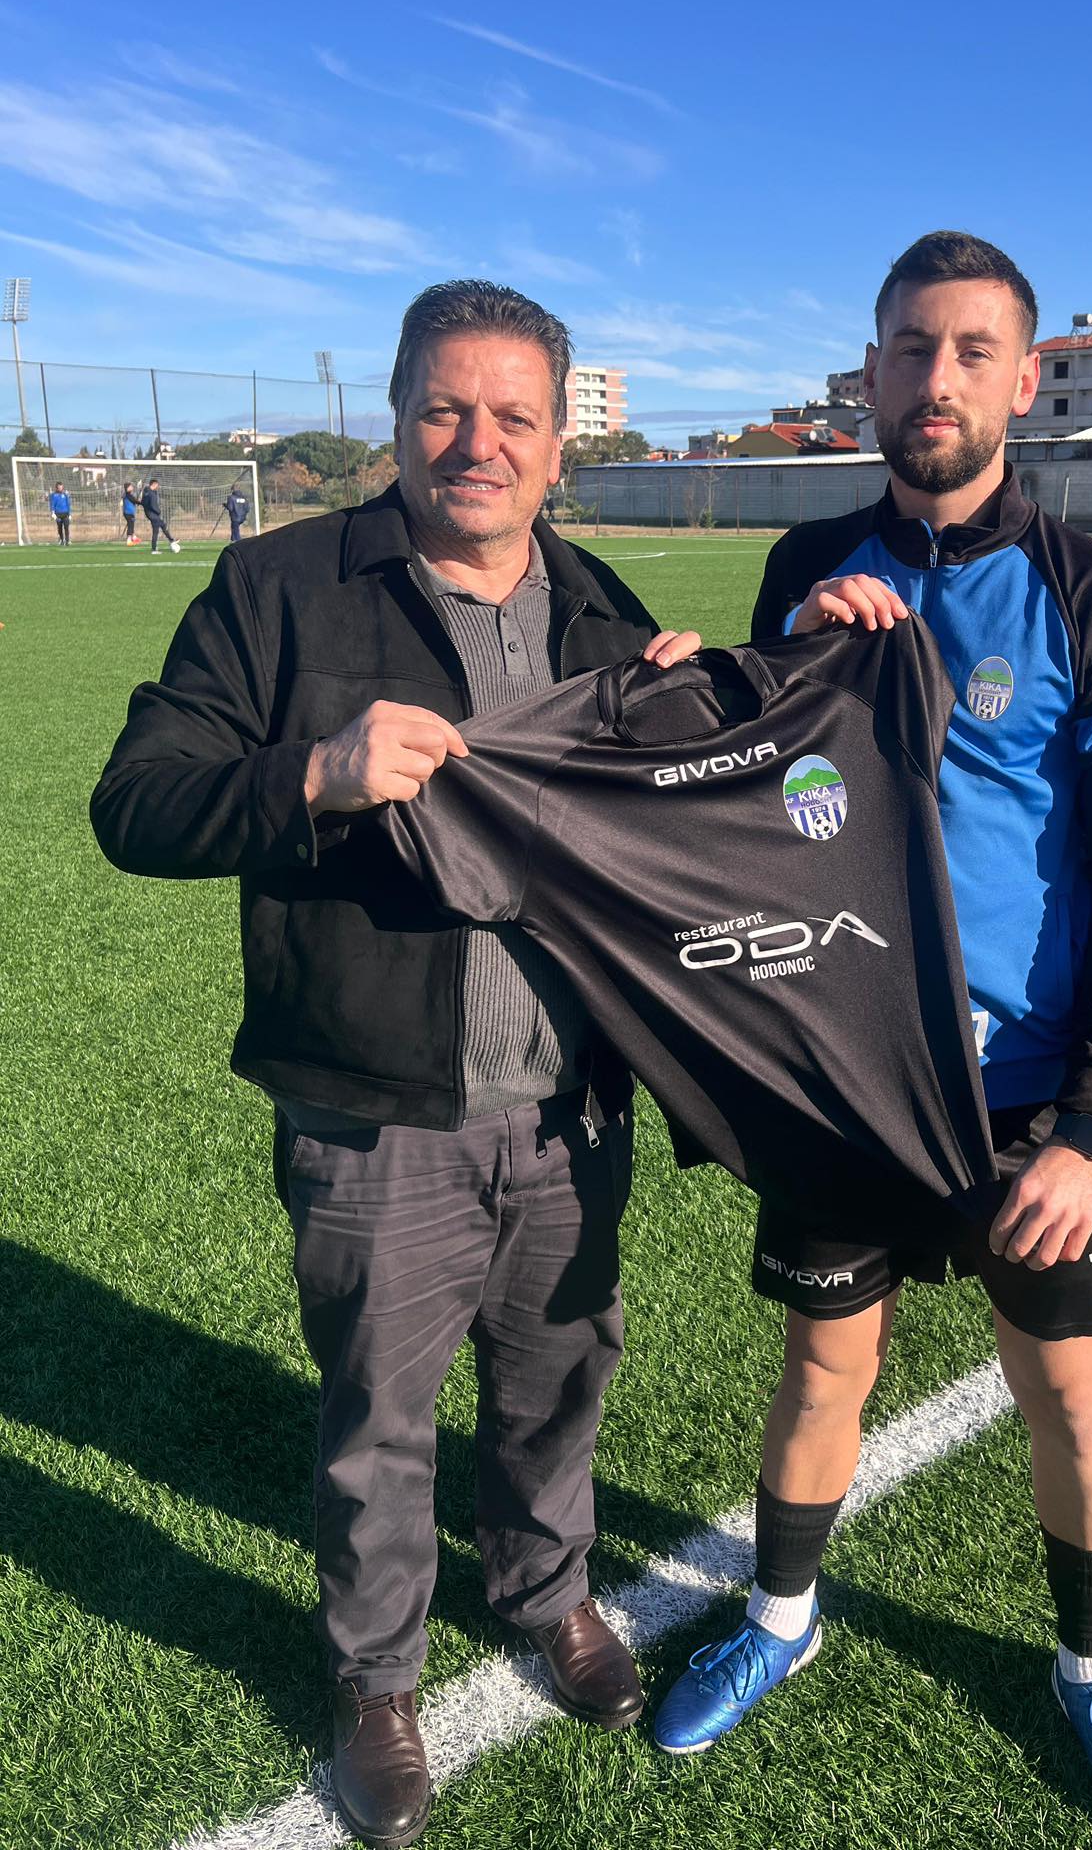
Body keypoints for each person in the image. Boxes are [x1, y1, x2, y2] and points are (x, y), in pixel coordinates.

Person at [91, 280, 700, 1850]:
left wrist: (696, 716)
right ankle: (377, 1680)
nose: (476, 443)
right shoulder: (279, 588)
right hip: (375, 1111)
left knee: (559, 1382)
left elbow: (677, 846)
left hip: (573, 1108)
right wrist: (315, 773)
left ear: (558, 446)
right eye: (445, 408)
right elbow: (136, 802)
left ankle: (547, 1591)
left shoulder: (601, 612)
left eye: (513, 417)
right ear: (397, 415)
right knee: (379, 1417)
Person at [653, 233, 1092, 1846]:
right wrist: (786, 660)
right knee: (826, 1364)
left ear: (1024, 381)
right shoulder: (805, 562)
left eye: (970, 351)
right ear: (870, 371)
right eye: (908, 347)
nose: (935, 378)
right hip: (845, 1070)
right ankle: (780, 1618)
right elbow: (760, 807)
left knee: (1066, 1394)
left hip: (1026, 1098)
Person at [139, 476, 180, 554]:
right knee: (156, 531)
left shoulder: (146, 492)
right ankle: (154, 549)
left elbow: (143, 502)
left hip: (150, 513)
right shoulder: (151, 494)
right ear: (154, 484)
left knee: (163, 525)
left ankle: (171, 540)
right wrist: (158, 511)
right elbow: (153, 505)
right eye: (157, 485)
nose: (157, 487)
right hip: (153, 514)